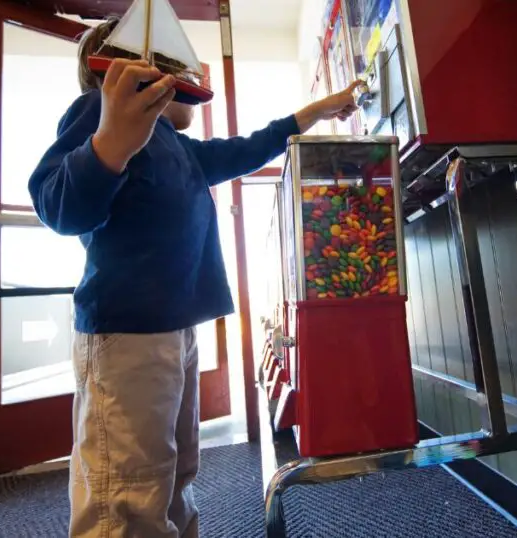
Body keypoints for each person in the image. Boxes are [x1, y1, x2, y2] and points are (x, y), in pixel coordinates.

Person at [27, 18, 361, 538]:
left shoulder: (177, 145)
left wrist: (316, 111)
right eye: (179, 67)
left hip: (174, 329)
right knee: (126, 492)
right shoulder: (100, 114)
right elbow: (57, 204)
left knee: (172, 473)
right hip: (128, 330)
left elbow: (251, 146)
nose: (194, 80)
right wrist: (110, 144)